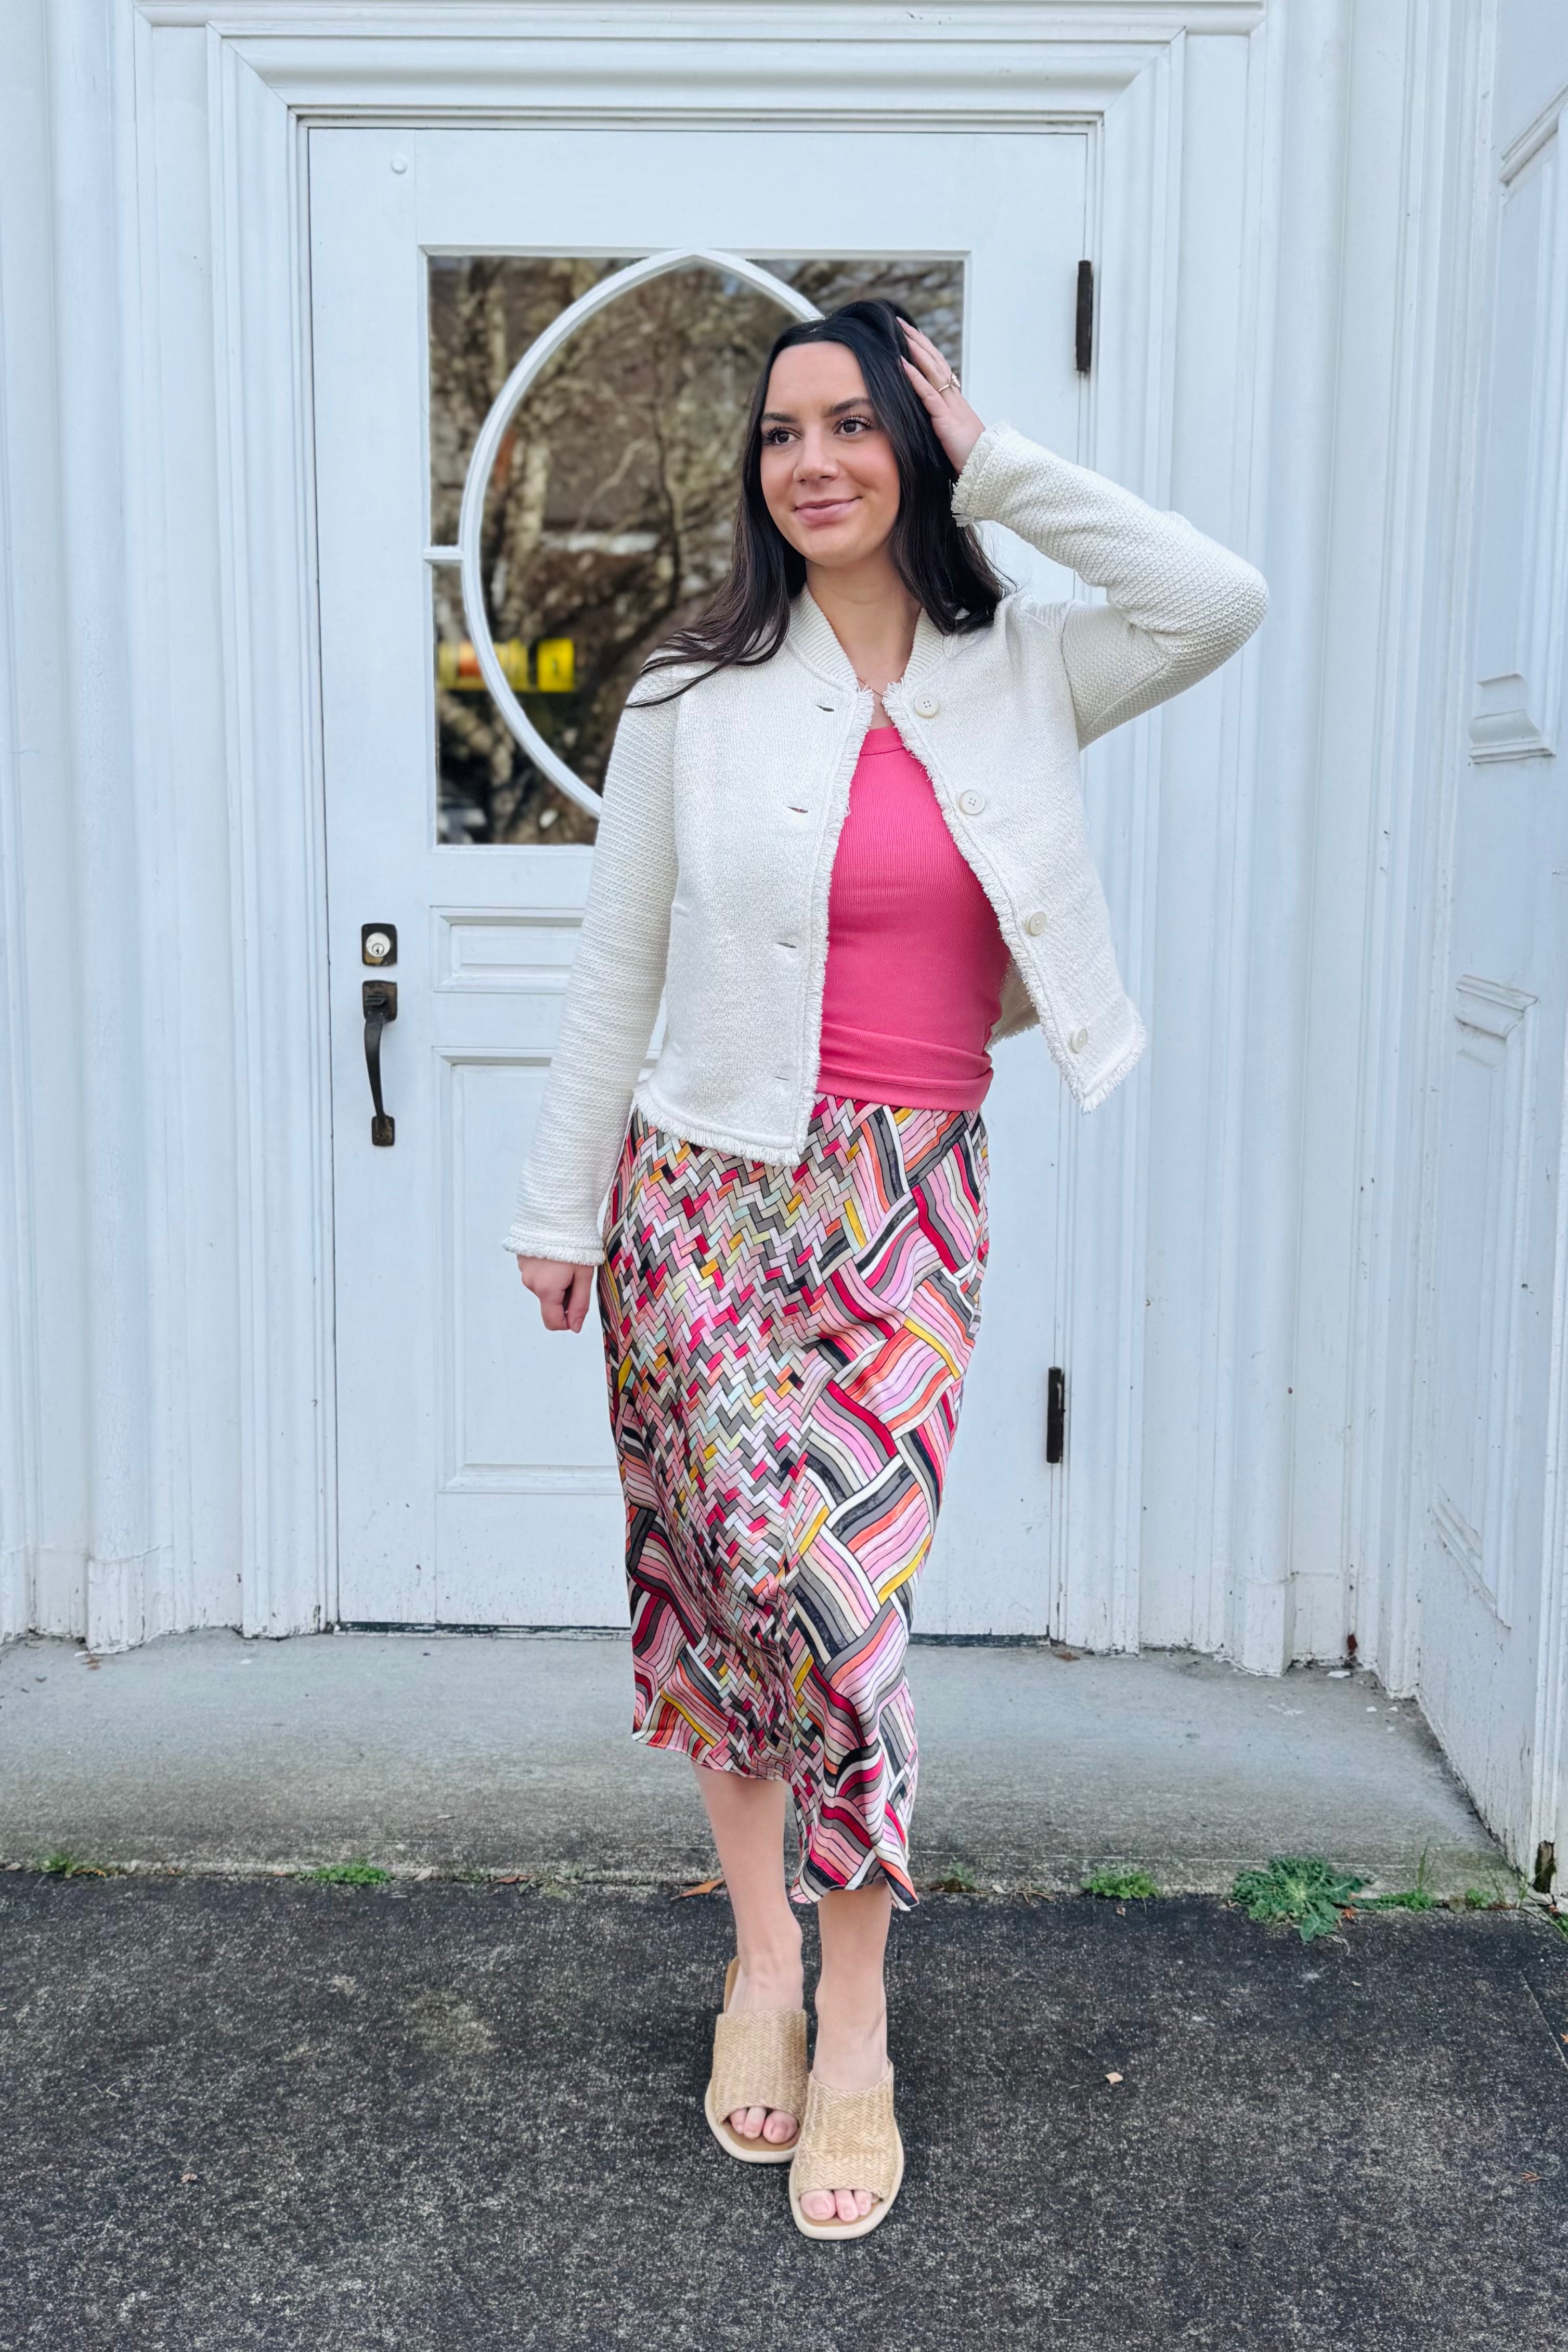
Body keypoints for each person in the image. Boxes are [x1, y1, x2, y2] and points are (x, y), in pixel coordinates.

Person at [504, 299, 1267, 2239]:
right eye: (783, 432)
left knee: (842, 1602)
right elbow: (617, 963)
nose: (816, 461)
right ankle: (765, 1958)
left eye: (857, 425)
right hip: (704, 1194)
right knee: (725, 1582)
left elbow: (1216, 596)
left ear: (915, 450)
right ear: (754, 470)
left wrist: (1001, 457)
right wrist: (556, 1203)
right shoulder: (693, 684)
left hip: (907, 1197)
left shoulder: (1020, 665)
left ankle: (856, 2018)